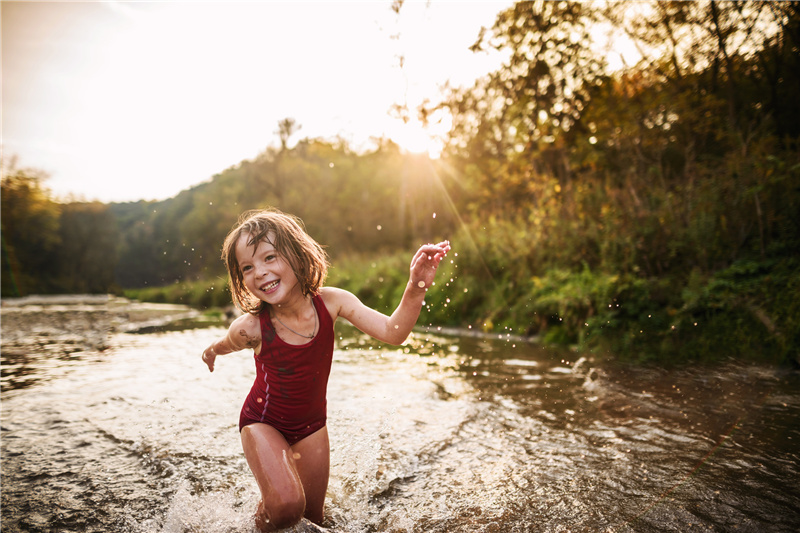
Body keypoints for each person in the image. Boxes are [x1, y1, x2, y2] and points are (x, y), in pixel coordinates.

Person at [201, 208, 450, 531]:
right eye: (248, 267)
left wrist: (416, 286)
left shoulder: (333, 302)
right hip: (261, 422)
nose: (259, 272)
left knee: (310, 522)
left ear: (298, 254)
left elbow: (393, 332)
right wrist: (210, 353)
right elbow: (224, 344)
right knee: (288, 506)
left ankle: (266, 514)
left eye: (270, 257)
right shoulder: (252, 327)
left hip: (312, 428)